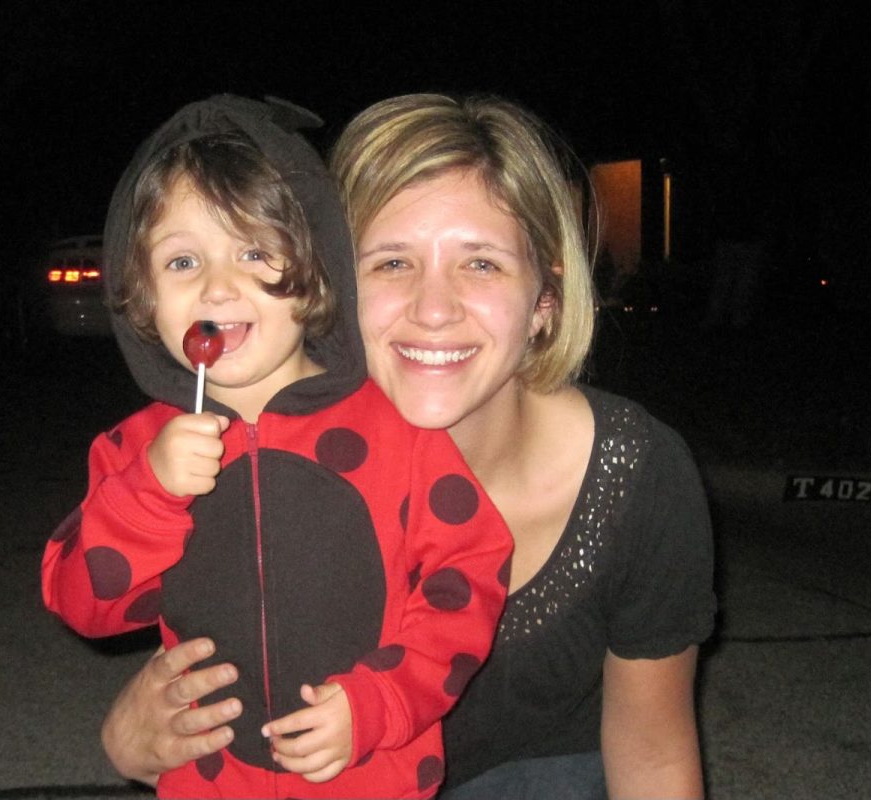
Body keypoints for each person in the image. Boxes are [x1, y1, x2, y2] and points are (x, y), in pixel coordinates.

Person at [99, 93, 717, 800]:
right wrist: (131, 737)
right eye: (391, 263)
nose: (433, 308)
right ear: (323, 280)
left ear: (544, 299)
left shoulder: (634, 476)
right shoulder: (247, 447)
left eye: (481, 264)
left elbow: (655, 753)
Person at [41, 94, 512, 799]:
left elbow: (466, 580)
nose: (218, 286)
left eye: (255, 252)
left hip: (373, 777)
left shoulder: (399, 429)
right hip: (208, 780)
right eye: (181, 262)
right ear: (139, 293)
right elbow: (85, 604)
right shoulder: (134, 451)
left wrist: (378, 703)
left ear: (316, 267)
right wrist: (150, 493)